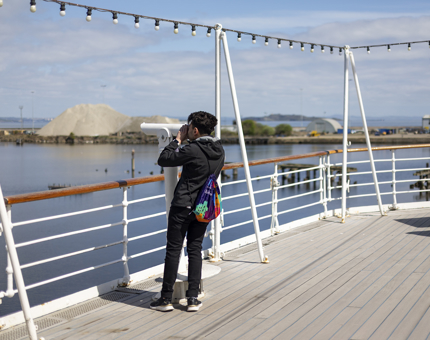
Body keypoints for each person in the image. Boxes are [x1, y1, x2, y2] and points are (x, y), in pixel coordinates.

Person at [150, 111, 225, 312]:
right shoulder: (219, 150)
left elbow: (164, 159)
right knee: (195, 250)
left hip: (183, 205)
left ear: (195, 130)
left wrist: (177, 140)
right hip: (203, 206)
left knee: (174, 250)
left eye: (189, 127)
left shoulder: (192, 149)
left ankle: (166, 298)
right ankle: (192, 298)